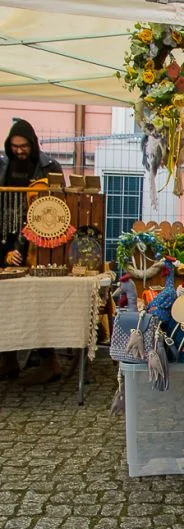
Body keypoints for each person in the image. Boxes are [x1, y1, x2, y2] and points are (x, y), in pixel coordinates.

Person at [0, 119, 65, 383]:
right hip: (6, 237)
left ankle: (49, 359)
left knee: (38, 304)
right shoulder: (2, 166)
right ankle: (7, 361)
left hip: (40, 240)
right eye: (14, 147)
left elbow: (60, 204)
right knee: (7, 304)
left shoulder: (49, 167)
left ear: (33, 144)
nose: (19, 151)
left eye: (24, 146)